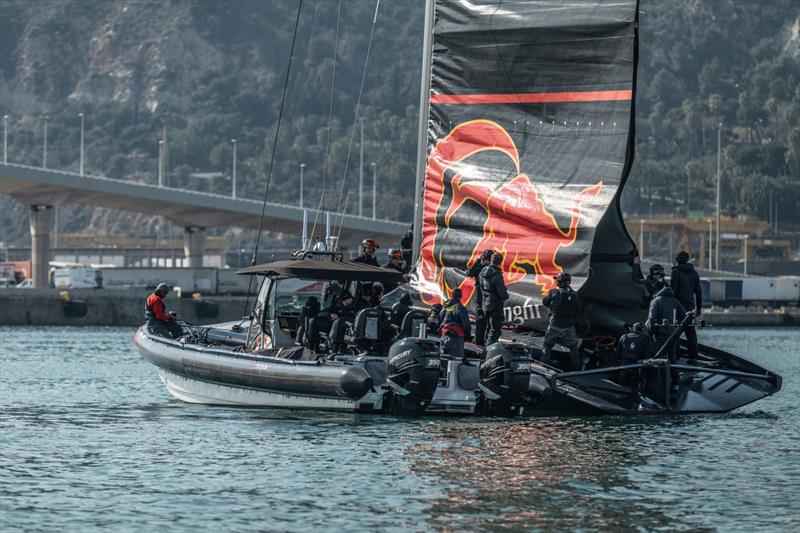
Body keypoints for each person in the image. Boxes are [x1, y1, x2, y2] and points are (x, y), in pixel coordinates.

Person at [541, 272, 581, 370]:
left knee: (547, 344)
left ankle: (544, 363)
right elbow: (578, 309)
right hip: (569, 325)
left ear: (560, 282)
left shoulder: (555, 292)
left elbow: (545, 302)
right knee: (573, 346)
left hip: (555, 323)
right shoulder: (575, 294)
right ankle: (577, 366)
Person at [669, 251, 702, 361]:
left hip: (677, 306)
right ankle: (693, 357)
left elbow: (672, 291)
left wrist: (669, 305)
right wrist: (699, 308)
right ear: (687, 260)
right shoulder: (694, 273)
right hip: (690, 307)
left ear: (677, 260)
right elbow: (698, 292)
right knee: (691, 332)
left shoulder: (676, 272)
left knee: (676, 331)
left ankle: (676, 356)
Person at [646, 285, 686, 361]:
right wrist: (677, 329)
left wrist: (652, 333)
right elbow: (685, 317)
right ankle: (674, 372)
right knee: (672, 356)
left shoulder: (655, 301)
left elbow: (651, 318)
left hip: (660, 334)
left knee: (657, 357)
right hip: (673, 334)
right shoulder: (675, 301)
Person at [479, 251, 509, 345]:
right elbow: (502, 294)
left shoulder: (482, 272)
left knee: (488, 328)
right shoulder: (497, 275)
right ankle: (488, 353)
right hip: (495, 305)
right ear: (500, 262)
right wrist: (505, 293)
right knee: (494, 331)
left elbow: (481, 287)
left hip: (485, 304)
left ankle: (484, 350)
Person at [467, 249, 493, 345]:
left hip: (488, 296)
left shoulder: (493, 268)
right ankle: (479, 344)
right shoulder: (480, 266)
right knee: (480, 320)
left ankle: (486, 344)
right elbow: (469, 273)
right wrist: (478, 261)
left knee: (489, 323)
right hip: (481, 295)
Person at [438, 288, 471, 359]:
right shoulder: (460, 308)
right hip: (456, 340)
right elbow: (466, 326)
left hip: (443, 338)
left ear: (451, 295)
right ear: (461, 296)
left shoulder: (444, 307)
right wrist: (467, 335)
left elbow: (439, 321)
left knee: (443, 362)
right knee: (456, 362)